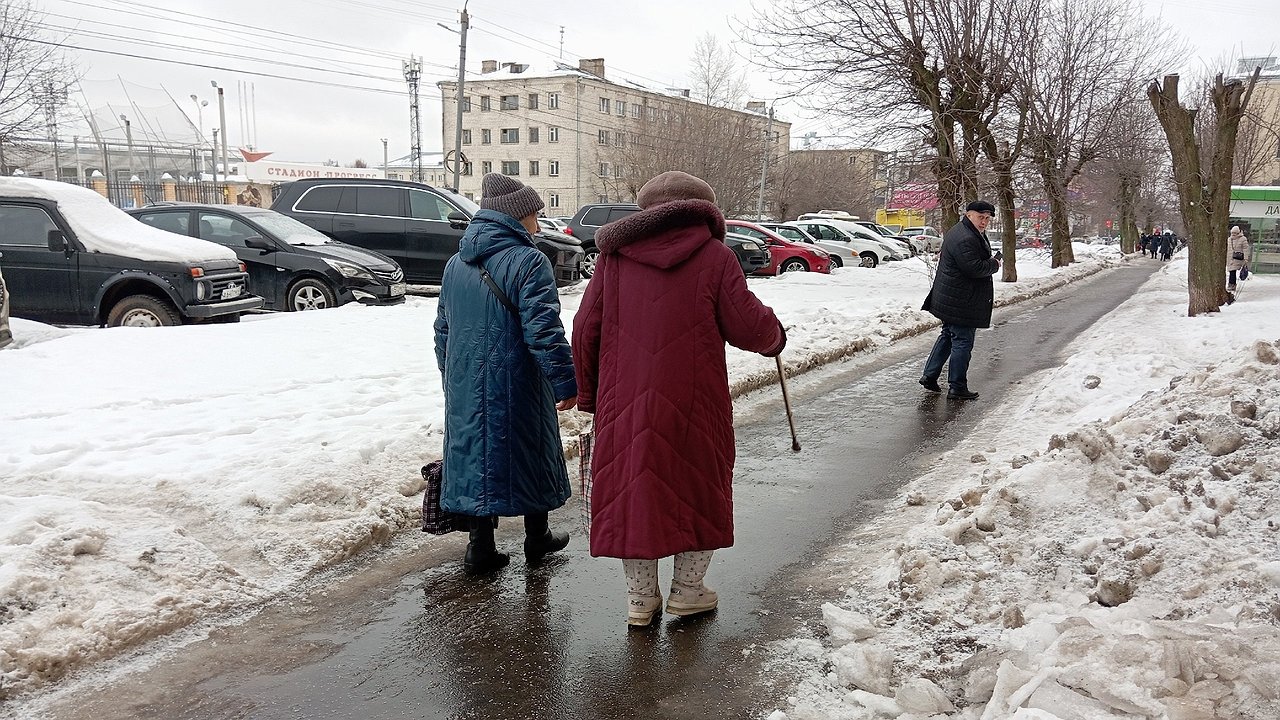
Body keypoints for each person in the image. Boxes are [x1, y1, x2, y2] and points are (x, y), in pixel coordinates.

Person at [572, 171, 786, 628]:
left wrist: (590, 394)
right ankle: (688, 591)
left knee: (634, 492)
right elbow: (748, 324)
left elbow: (584, 327)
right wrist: (774, 337)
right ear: (703, 209)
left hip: (624, 400)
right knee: (697, 487)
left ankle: (639, 600)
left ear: (646, 211)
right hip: (695, 400)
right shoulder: (715, 256)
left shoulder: (613, 258)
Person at [433, 173, 578, 574]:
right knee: (529, 448)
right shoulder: (529, 260)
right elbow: (544, 329)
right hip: (518, 377)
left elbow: (443, 326)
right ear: (518, 216)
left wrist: (451, 374)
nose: (538, 220)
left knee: (475, 454)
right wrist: (565, 381)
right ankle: (538, 538)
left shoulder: (455, 263)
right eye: (535, 212)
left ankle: (480, 547)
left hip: (464, 379)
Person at [918, 200, 1001, 400]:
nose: (984, 222)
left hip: (954, 296)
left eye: (987, 219)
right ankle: (957, 387)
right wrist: (994, 263)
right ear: (969, 214)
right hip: (962, 300)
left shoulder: (964, 231)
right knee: (962, 342)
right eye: (981, 217)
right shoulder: (966, 237)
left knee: (948, 335)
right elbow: (974, 268)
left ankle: (929, 375)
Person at [1227, 226, 1251, 291]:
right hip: (1230, 258)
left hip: (1238, 258)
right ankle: (1231, 284)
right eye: (1232, 232)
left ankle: (1232, 284)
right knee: (1231, 271)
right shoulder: (1229, 239)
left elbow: (1245, 249)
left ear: (1238, 232)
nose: (1233, 234)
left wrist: (1246, 258)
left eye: (1235, 233)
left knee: (1232, 271)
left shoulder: (1243, 239)